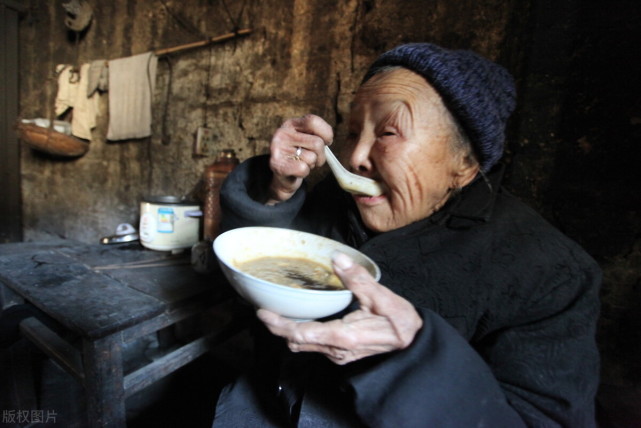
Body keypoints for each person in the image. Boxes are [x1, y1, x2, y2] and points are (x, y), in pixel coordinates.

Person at [212, 43, 601, 427]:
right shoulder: (333, 200)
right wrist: (276, 192)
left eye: (388, 133)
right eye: (351, 132)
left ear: (465, 163)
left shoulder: (549, 272)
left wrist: (417, 358)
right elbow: (252, 273)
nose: (355, 158)